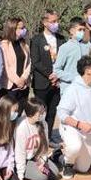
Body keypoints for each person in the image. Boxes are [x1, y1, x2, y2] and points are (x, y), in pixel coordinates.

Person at [56, 56, 91, 178]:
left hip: (89, 133)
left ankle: (59, 155)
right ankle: (67, 164)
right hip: (72, 128)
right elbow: (61, 113)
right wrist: (79, 124)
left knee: (83, 169)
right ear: (88, 70)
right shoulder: (73, 89)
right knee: (75, 146)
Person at [29, 10, 65, 138]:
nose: (56, 24)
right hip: (42, 82)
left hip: (57, 83)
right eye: (53, 21)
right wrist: (50, 74)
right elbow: (36, 61)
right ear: (45, 22)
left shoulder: (61, 39)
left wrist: (58, 76)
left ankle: (47, 138)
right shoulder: (36, 40)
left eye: (57, 21)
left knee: (52, 113)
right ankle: (37, 139)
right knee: (40, 113)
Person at [14, 99, 59, 180]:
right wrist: (20, 174)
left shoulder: (43, 123)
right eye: (40, 112)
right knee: (42, 178)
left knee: (55, 173)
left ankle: (56, 155)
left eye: (43, 111)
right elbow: (20, 153)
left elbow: (44, 147)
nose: (43, 114)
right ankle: (27, 172)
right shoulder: (22, 127)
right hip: (25, 159)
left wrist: (42, 161)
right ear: (31, 114)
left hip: (37, 157)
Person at [54, 17, 91, 89]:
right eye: (80, 29)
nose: (82, 32)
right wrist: (74, 78)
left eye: (84, 30)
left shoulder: (88, 45)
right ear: (71, 31)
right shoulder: (64, 48)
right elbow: (57, 70)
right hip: (69, 87)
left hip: (85, 87)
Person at [0, 17, 31, 100]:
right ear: (13, 29)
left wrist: (23, 78)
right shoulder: (4, 45)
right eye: (21, 28)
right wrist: (17, 81)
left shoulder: (24, 45)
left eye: (24, 28)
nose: (24, 30)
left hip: (24, 86)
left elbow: (29, 63)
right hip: (10, 87)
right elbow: (6, 67)